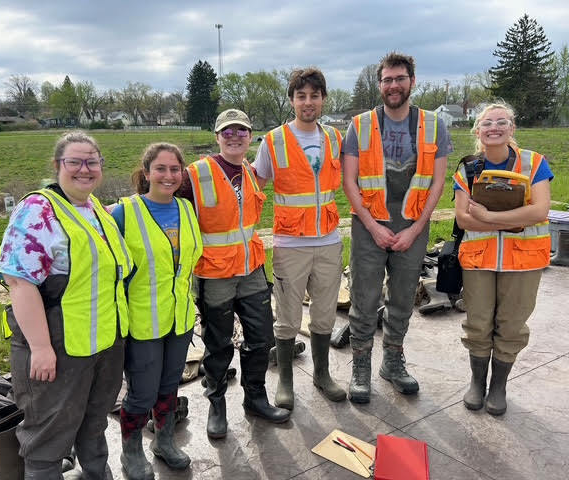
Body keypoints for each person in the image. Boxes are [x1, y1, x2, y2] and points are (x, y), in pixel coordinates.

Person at [0, 131, 133, 479]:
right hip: (58, 347)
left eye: (92, 161)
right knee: (48, 439)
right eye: (75, 161)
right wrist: (41, 348)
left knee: (93, 422)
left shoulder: (94, 209)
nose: (84, 169)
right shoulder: (38, 210)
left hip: (102, 344)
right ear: (58, 166)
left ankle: (97, 473)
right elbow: (18, 280)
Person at [342, 52, 452, 403]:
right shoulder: (359, 126)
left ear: (412, 82)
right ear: (380, 84)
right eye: (387, 80)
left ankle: (392, 361)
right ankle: (361, 366)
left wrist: (416, 228)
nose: (393, 85)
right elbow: (349, 183)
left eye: (399, 78)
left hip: (412, 228)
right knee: (364, 297)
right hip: (369, 227)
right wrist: (373, 227)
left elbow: (437, 184)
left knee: (403, 297)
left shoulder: (434, 125)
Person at [179, 108, 290, 439]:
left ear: (249, 136)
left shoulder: (253, 173)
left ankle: (255, 398)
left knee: (261, 336)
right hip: (214, 274)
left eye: (241, 131)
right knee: (218, 342)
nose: (234, 137)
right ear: (217, 137)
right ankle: (216, 403)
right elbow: (165, 203)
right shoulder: (195, 174)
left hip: (251, 268)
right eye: (227, 132)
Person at [253, 67, 346, 410]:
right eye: (301, 96)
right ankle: (286, 382)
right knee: (288, 314)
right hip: (290, 243)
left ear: (323, 99)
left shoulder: (335, 138)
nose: (308, 102)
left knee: (324, 313)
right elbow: (254, 188)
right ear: (292, 100)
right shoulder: (274, 141)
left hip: (328, 241)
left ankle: (322, 375)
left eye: (314, 95)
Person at [453, 102, 553, 415]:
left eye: (501, 122)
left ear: (512, 128)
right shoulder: (468, 168)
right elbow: (462, 218)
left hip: (523, 260)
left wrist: (489, 216)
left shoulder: (534, 163)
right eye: (487, 123)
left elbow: (540, 210)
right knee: (478, 323)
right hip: (480, 259)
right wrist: (511, 219)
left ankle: (499, 387)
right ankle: (477, 382)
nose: (494, 127)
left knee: (511, 325)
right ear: (477, 131)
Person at [110, 143, 202, 478]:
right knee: (142, 392)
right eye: (160, 169)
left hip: (179, 320)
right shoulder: (123, 213)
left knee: (169, 387)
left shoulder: (187, 209)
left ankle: (164, 441)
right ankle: (130, 452)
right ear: (146, 173)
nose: (168, 175)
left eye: (175, 169)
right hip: (143, 323)